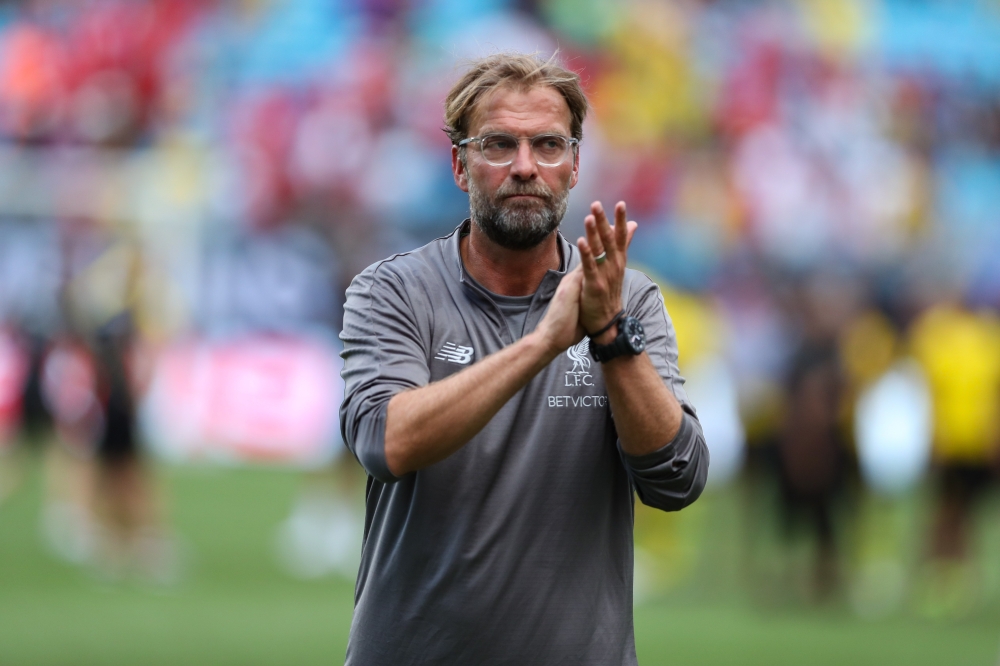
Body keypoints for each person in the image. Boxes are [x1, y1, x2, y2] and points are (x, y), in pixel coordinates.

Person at [339, 52, 709, 665]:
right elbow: (387, 442)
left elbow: (677, 480)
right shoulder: (393, 291)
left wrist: (611, 336)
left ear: (574, 166)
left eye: (548, 145)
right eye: (498, 145)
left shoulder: (627, 297)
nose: (525, 167)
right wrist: (542, 343)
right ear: (460, 165)